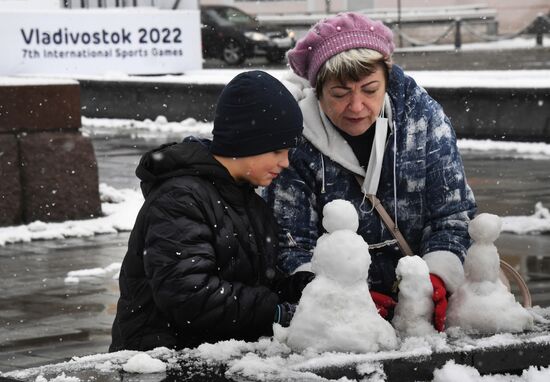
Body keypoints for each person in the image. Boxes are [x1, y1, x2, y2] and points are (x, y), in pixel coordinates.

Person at [263, 12, 477, 332]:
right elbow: (290, 245)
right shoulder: (294, 142)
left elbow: (453, 214)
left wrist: (435, 278)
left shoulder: (423, 119)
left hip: (425, 310)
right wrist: (344, 297)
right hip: (341, 323)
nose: (357, 106)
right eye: (340, 93)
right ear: (317, 91)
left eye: (370, 89)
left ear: (387, 81)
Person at [110, 70, 314, 352]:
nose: (285, 163)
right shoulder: (180, 198)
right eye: (278, 150)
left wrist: (309, 291)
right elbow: (188, 296)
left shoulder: (248, 200)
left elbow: (257, 282)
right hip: (161, 361)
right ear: (247, 141)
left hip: (207, 356)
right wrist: (276, 312)